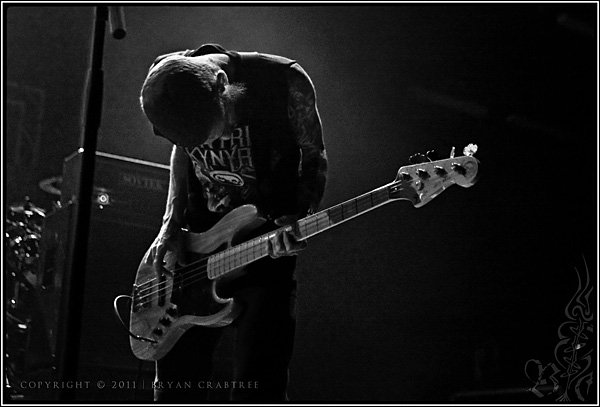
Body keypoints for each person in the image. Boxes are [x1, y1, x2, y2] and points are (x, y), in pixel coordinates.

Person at [138, 43, 327, 402]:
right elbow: (181, 149)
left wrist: (301, 215)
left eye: (217, 128)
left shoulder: (284, 81)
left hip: (266, 246)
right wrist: (170, 223)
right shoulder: (166, 82)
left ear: (222, 83)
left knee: (260, 385)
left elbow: (313, 153)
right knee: (176, 388)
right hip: (196, 252)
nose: (220, 139)